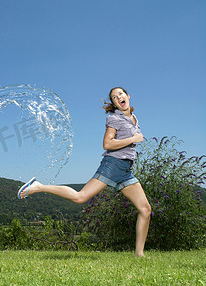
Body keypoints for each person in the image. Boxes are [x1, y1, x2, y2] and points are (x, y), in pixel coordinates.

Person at [18, 87, 151, 257]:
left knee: (145, 209)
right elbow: (107, 144)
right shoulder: (114, 119)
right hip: (112, 165)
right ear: (114, 103)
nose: (118, 97)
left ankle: (139, 255)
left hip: (125, 170)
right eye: (114, 97)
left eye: (121, 94)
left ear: (128, 96)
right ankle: (38, 186)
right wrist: (133, 139)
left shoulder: (133, 118)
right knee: (80, 197)